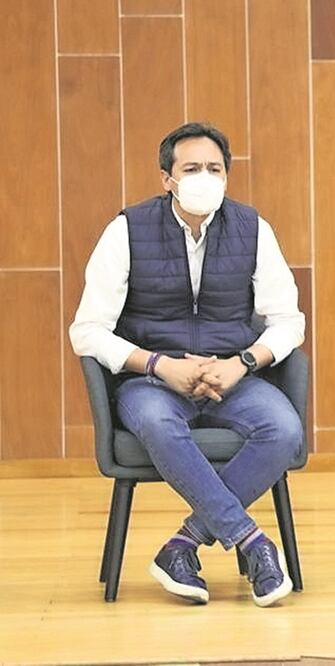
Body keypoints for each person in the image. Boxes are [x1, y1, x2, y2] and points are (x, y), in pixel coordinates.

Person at [69, 122, 305, 607]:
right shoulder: (126, 230)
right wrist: (158, 365)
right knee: (157, 422)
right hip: (152, 381)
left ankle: (183, 545)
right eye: (191, 168)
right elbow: (87, 330)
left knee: (284, 428)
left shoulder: (252, 228)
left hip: (231, 376)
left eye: (214, 168)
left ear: (227, 176)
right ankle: (252, 542)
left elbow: (289, 322)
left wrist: (241, 363)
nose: (204, 177)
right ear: (167, 179)